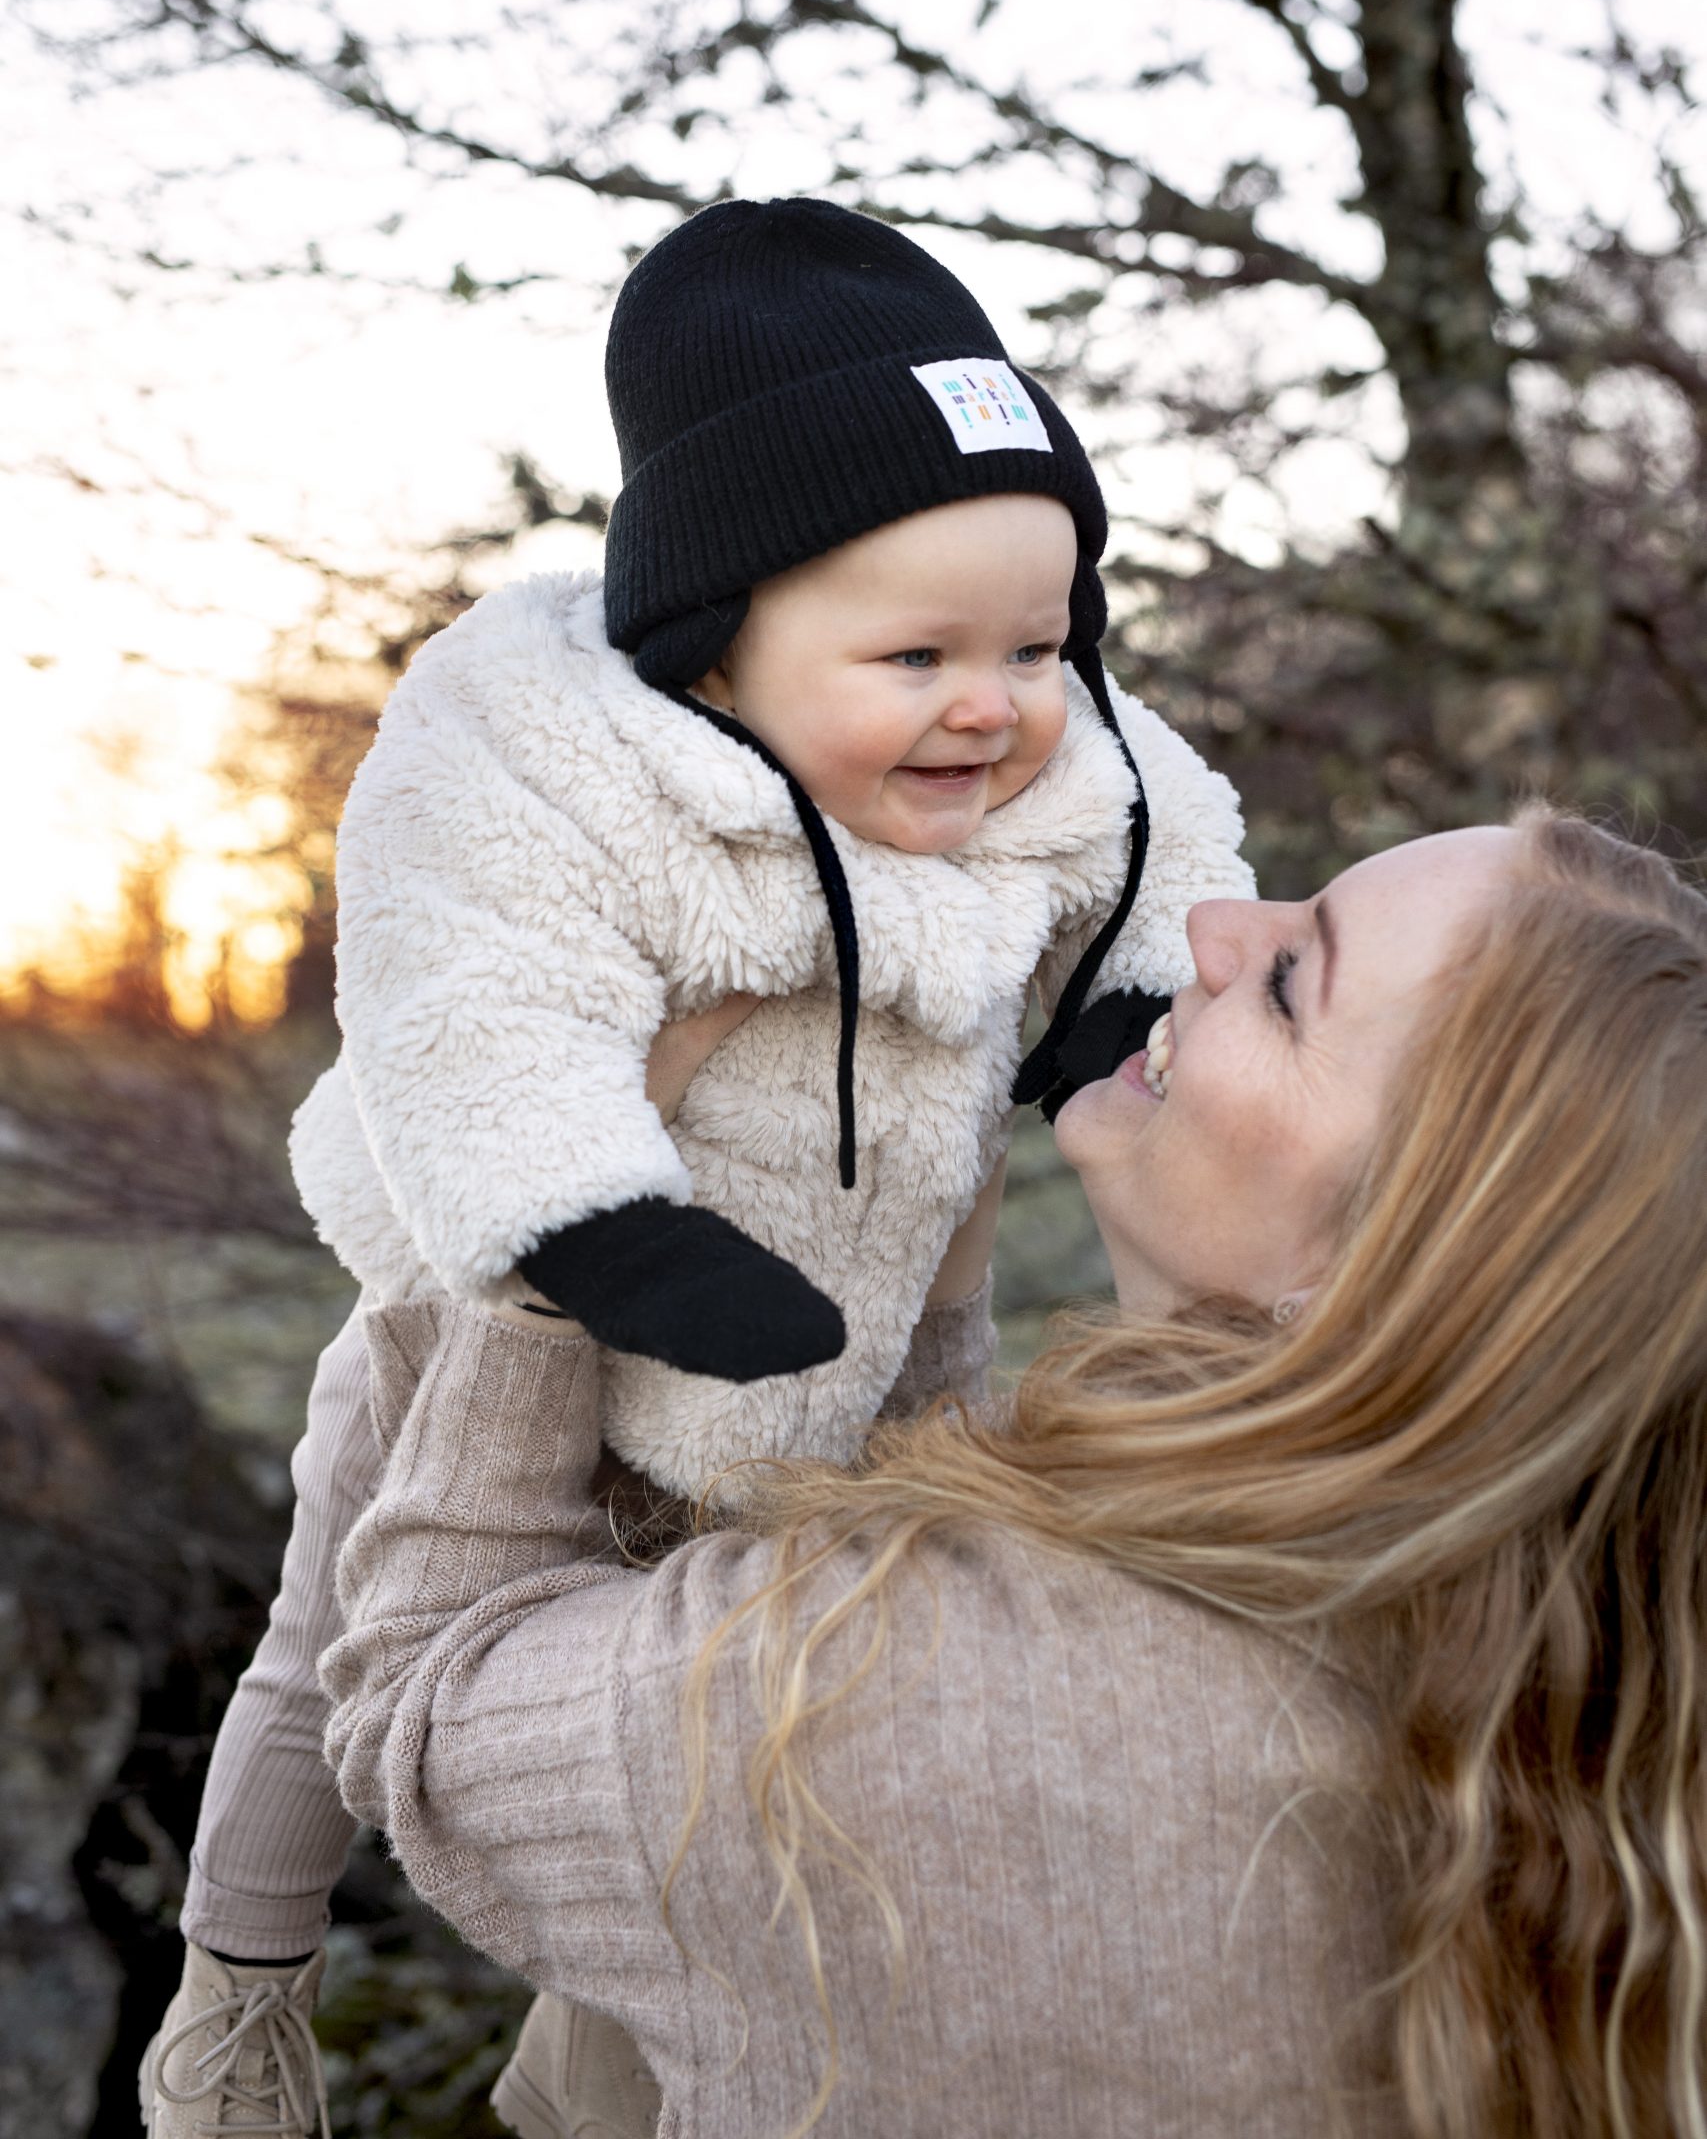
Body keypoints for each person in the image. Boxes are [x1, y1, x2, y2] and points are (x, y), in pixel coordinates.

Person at [140, 199, 1253, 2134]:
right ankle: (237, 1996)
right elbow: (464, 986)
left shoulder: (1050, 757)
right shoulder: (560, 760)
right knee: (326, 1649)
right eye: (915, 652)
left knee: (790, 1731)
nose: (992, 703)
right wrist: (593, 1221)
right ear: (719, 650)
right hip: (495, 1302)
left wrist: (1118, 1023)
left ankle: (658, 2057)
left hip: (867, 1316)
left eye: (1036, 642)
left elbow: (1166, 861)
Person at [315, 811, 1707, 2137]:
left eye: (1289, 983)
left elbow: (431, 1708)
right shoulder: (1585, 1711)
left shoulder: (917, 1682)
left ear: (1388, 1272)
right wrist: (917, 1215)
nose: (1217, 924)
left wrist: (553, 1204)